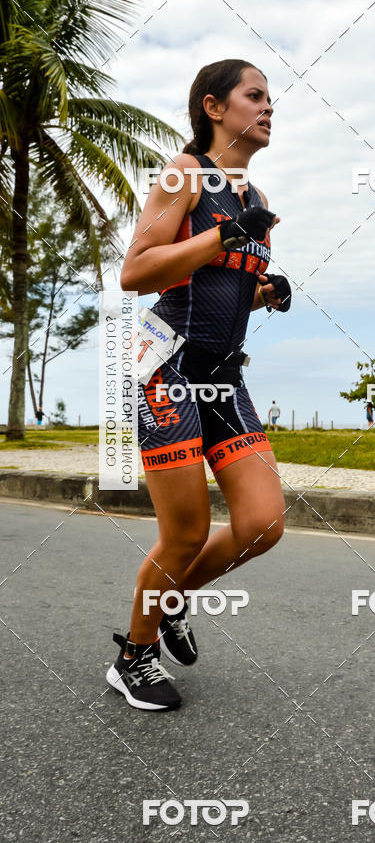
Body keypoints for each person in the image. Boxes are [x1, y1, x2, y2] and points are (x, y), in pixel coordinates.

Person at [107, 59, 292, 711]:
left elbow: (224, 278)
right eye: (255, 96)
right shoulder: (183, 173)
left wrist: (266, 289)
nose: (269, 107)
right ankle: (133, 654)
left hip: (223, 373)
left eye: (272, 98)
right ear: (215, 108)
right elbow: (138, 272)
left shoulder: (258, 200)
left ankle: (173, 599)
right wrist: (222, 236)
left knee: (262, 523)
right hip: (166, 364)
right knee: (184, 531)